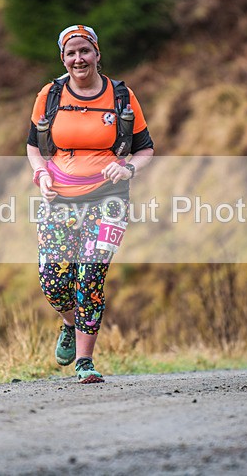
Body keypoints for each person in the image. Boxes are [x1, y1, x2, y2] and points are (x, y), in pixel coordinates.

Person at [26, 25, 154, 383]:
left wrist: (127, 168)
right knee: (54, 280)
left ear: (97, 53)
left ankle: (85, 362)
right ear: (63, 59)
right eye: (71, 53)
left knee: (90, 276)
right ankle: (68, 324)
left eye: (85, 51)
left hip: (109, 199)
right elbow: (34, 146)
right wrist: (42, 175)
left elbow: (145, 148)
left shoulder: (121, 97)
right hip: (59, 198)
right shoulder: (50, 95)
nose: (78, 59)